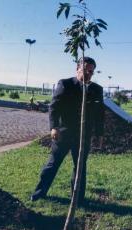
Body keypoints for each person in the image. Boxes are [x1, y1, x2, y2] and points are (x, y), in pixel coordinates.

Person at [31, 57, 105, 205]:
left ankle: (78, 200)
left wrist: (99, 134)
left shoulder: (97, 90)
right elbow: (54, 107)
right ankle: (39, 193)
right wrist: (53, 127)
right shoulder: (65, 84)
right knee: (53, 164)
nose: (88, 74)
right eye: (85, 70)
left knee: (80, 168)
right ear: (77, 69)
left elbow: (99, 114)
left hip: (83, 136)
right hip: (63, 134)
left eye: (91, 71)